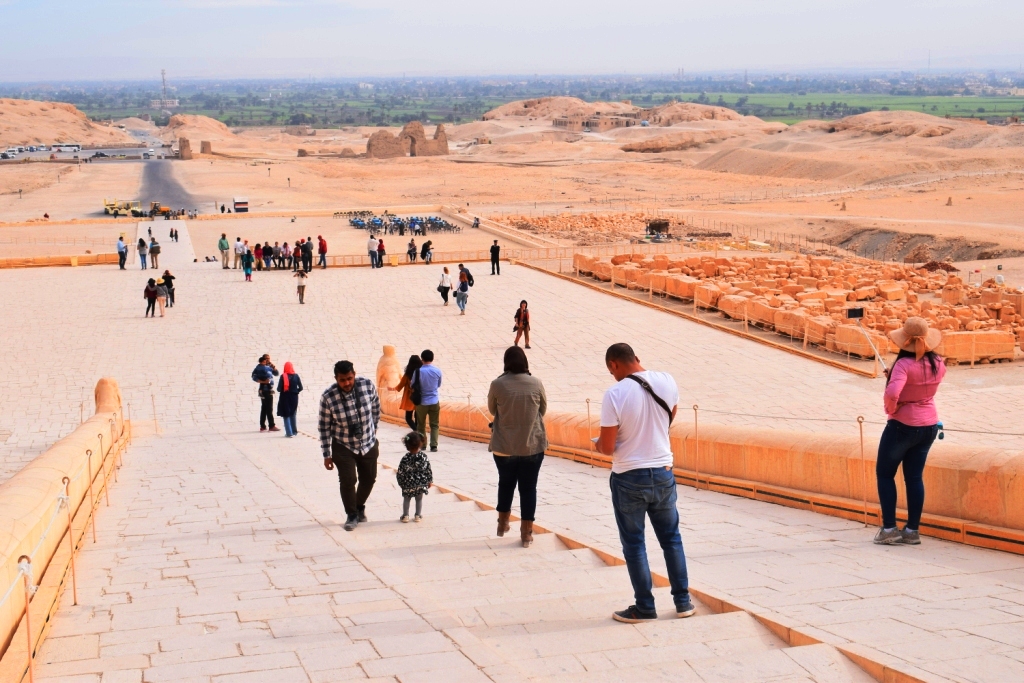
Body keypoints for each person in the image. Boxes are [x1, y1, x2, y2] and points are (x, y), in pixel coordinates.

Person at [596, 343, 693, 623]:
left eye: (610, 370)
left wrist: (599, 443)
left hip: (629, 476)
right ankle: (683, 602)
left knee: (635, 544)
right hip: (663, 470)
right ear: (637, 358)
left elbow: (608, 446)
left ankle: (645, 607)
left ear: (614, 365)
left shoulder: (614, 393)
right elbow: (669, 418)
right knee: (672, 539)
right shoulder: (667, 380)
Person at [874, 318, 947, 546]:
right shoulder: (938, 362)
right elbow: (921, 383)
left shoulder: (903, 365)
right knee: (914, 477)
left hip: (902, 426)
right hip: (929, 425)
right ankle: (912, 530)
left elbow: (895, 391)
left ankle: (889, 529)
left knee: (885, 474)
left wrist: (891, 407)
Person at [488, 346, 548, 548]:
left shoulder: (497, 384)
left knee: (505, 484)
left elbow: (492, 409)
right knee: (528, 488)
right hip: (532, 445)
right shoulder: (536, 383)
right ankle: (527, 534)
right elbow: (543, 410)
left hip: (504, 446)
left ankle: (502, 523)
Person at [319, 360, 381, 531]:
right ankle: (351, 514)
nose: (347, 383)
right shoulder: (328, 397)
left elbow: (376, 408)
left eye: (349, 378)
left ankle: (359, 506)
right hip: (343, 445)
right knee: (348, 480)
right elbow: (324, 428)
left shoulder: (367, 385)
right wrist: (326, 455)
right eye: (342, 380)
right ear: (336, 379)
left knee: (369, 479)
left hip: (368, 442)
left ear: (354, 374)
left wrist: (373, 430)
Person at [397, 432, 433, 523]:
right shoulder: (423, 456)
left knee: (406, 498)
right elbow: (428, 469)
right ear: (420, 444)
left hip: (408, 483)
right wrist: (429, 481)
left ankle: (405, 515)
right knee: (419, 499)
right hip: (420, 483)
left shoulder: (405, 458)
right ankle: (418, 515)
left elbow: (400, 472)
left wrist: (401, 483)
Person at [414, 350, 443, 452]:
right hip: (434, 400)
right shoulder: (437, 371)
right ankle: (434, 445)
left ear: (422, 359)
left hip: (421, 402)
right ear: (432, 358)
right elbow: (439, 385)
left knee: (421, 425)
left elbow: (412, 384)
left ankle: (423, 444)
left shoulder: (418, 371)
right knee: (434, 424)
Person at [389, 355, 422, 430]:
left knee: (408, 418)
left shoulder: (408, 374)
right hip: (420, 398)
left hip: (410, 399)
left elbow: (400, 386)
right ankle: (418, 433)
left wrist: (391, 389)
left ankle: (416, 431)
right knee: (417, 418)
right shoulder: (422, 373)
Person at [251, 354, 280, 432]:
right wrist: (262, 381)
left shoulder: (269, 366)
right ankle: (271, 425)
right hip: (265, 390)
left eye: (269, 358)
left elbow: (277, 374)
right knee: (268, 408)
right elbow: (254, 376)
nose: (268, 360)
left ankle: (263, 426)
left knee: (264, 408)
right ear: (263, 360)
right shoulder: (260, 368)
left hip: (268, 390)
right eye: (266, 359)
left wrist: (274, 367)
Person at [276, 361, 304, 438]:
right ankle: (294, 431)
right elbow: (301, 388)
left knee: (286, 414)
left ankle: (289, 433)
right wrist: (295, 392)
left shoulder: (283, 376)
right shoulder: (296, 376)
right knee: (293, 413)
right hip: (294, 397)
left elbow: (278, 389)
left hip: (285, 397)